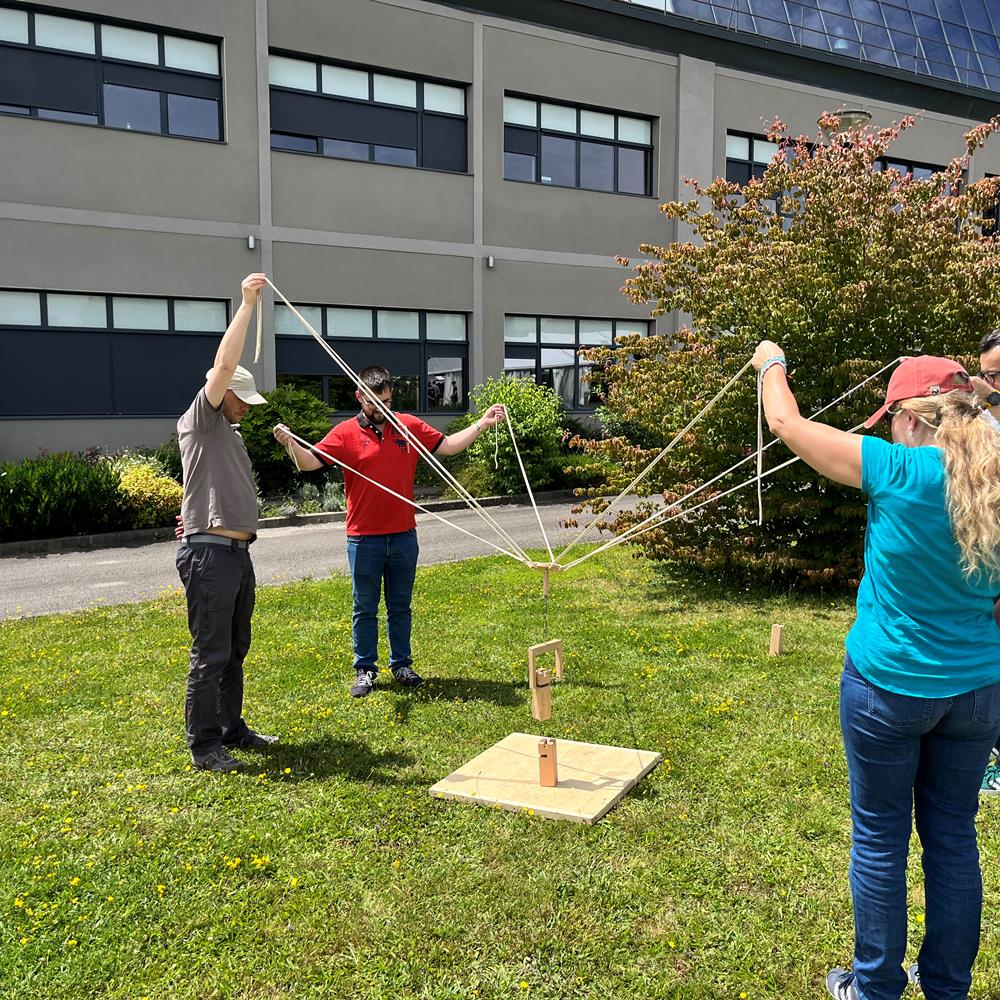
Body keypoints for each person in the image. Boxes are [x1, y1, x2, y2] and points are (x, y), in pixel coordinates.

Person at [751, 343, 1000, 1000]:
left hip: (887, 689)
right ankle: (946, 987)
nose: (888, 426)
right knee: (952, 835)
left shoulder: (897, 468)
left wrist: (771, 363)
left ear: (915, 419)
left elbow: (786, 425)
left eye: (892, 414)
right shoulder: (996, 480)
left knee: (881, 838)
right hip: (976, 691)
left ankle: (875, 989)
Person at [273, 366, 505, 698]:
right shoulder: (343, 434)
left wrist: (482, 424)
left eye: (386, 402)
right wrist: (290, 444)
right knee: (364, 606)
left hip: (402, 536)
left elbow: (449, 445)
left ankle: (401, 666)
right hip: (363, 538)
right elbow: (309, 463)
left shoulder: (408, 426)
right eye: (374, 403)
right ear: (359, 397)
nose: (381, 410)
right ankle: (366, 669)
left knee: (400, 605)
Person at [176, 273, 278, 773]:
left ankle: (232, 730)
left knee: (236, 647)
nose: (245, 408)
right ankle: (204, 745)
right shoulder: (202, 418)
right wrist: (247, 305)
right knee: (211, 651)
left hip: (235, 555)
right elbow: (224, 364)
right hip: (211, 556)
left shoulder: (229, 432)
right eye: (241, 399)